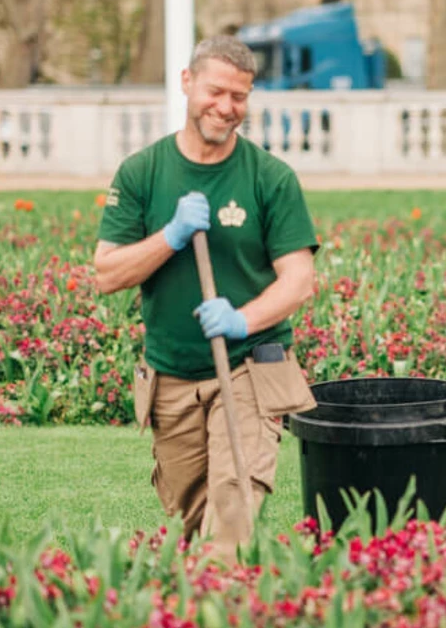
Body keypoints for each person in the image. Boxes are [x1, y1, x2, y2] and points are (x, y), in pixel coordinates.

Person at [93, 36, 320, 559]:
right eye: (216, 91)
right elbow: (106, 273)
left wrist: (241, 319)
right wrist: (170, 236)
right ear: (187, 83)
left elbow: (298, 280)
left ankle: (221, 606)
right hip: (170, 375)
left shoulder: (270, 178)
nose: (227, 107)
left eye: (240, 96)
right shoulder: (142, 173)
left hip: (248, 368)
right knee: (189, 520)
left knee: (233, 506)